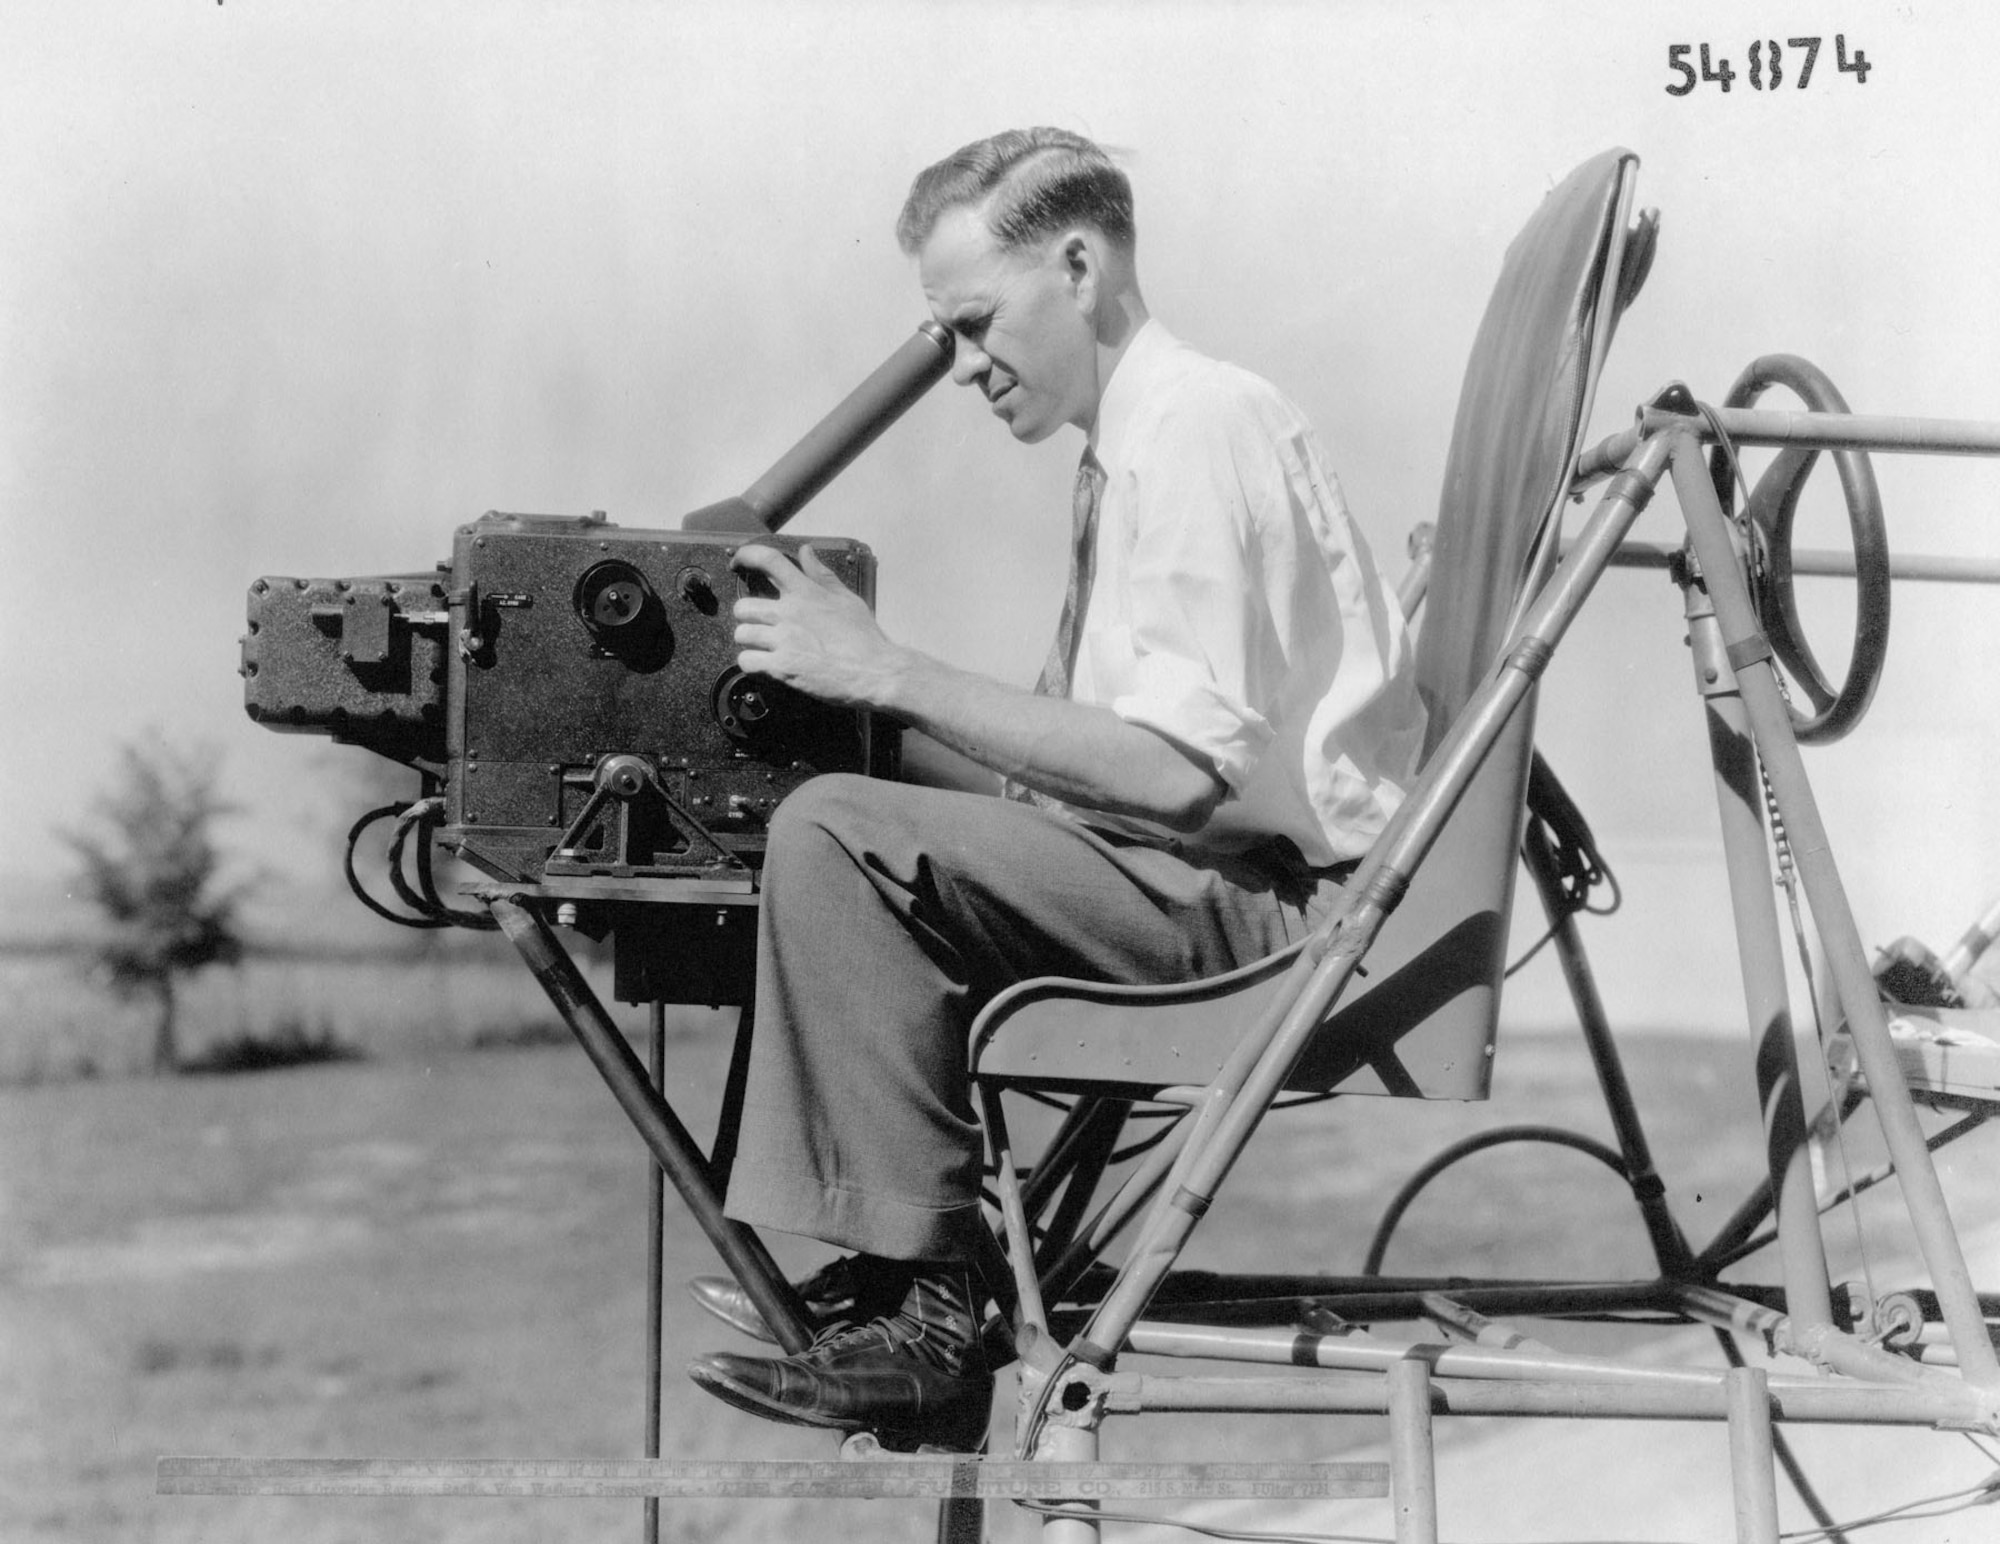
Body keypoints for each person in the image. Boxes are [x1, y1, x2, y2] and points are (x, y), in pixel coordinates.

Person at [685, 127, 1425, 1451]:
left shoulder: (1194, 426)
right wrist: (856, 697)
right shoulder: (1138, 438)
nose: (966, 369)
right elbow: (1111, 751)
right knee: (830, 760)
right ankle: (889, 1249)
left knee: (838, 827)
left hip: (1282, 922)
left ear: (1077, 266)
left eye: (975, 325)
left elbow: (1184, 778)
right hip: (1215, 880)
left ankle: (926, 1303)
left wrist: (891, 669)